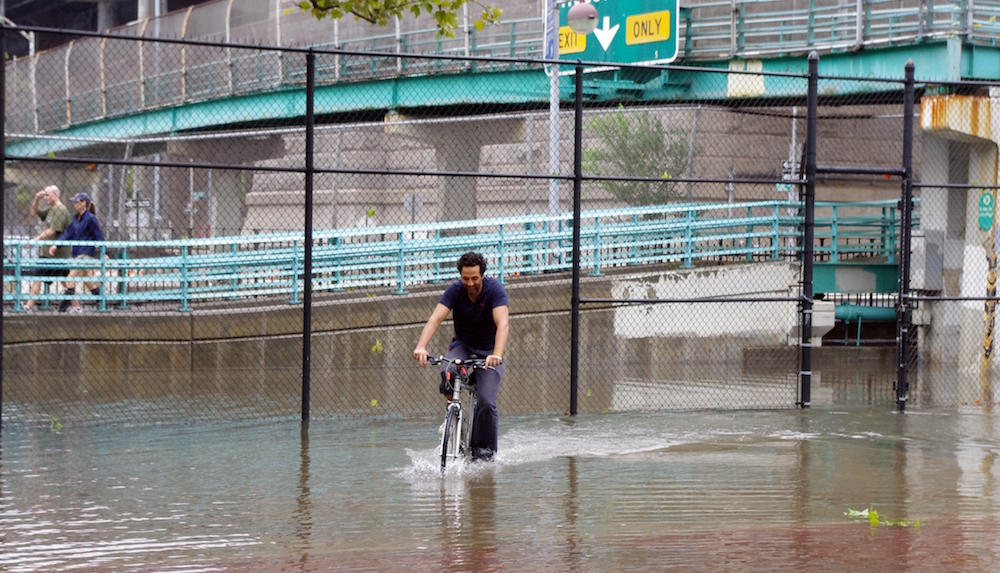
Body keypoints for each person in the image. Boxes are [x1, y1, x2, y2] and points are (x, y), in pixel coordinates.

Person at [413, 251, 509, 462]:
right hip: (463, 345)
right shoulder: (455, 290)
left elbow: (503, 323)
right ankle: (452, 413)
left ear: (482, 275)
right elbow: (436, 318)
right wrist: (421, 346)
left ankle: (484, 451)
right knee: (447, 369)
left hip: (489, 351)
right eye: (466, 279)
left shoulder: (495, 290)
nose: (470, 283)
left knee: (486, 401)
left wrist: (497, 354)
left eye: (475, 278)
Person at [49, 192, 106, 313]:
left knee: (70, 277)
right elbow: (68, 233)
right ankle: (102, 303)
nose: (74, 204)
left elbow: (99, 236)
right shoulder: (76, 218)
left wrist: (104, 252)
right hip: (78, 253)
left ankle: (61, 308)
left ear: (83, 203)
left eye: (77, 201)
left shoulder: (90, 218)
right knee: (88, 281)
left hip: (86, 254)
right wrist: (56, 245)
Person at [21, 186, 72, 312]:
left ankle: (76, 306)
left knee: (65, 281)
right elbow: (34, 213)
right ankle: (28, 306)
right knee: (38, 277)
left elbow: (52, 230)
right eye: (44, 196)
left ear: (55, 194)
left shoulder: (61, 210)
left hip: (58, 254)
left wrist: (34, 240)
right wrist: (37, 199)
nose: (46, 198)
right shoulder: (50, 209)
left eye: (48, 195)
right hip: (46, 253)